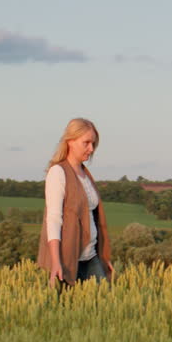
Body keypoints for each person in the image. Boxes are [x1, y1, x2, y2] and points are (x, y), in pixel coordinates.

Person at [37, 118, 115, 287]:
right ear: (70, 141)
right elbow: (53, 219)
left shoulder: (86, 174)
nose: (91, 149)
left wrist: (103, 257)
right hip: (68, 259)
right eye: (86, 143)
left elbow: (93, 219)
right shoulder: (58, 172)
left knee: (103, 305)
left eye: (93, 144)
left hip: (91, 256)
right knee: (68, 309)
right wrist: (56, 262)